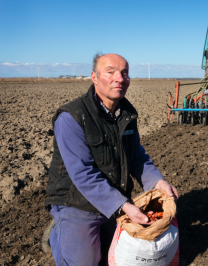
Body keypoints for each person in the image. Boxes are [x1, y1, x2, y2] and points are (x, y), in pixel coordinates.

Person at [44, 53, 179, 265]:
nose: (119, 78)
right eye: (111, 72)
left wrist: (157, 182)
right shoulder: (72, 117)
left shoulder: (126, 114)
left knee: (121, 257)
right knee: (87, 261)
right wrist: (125, 205)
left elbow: (136, 156)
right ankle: (62, 229)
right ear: (94, 77)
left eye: (124, 73)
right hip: (77, 203)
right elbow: (83, 175)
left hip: (113, 202)